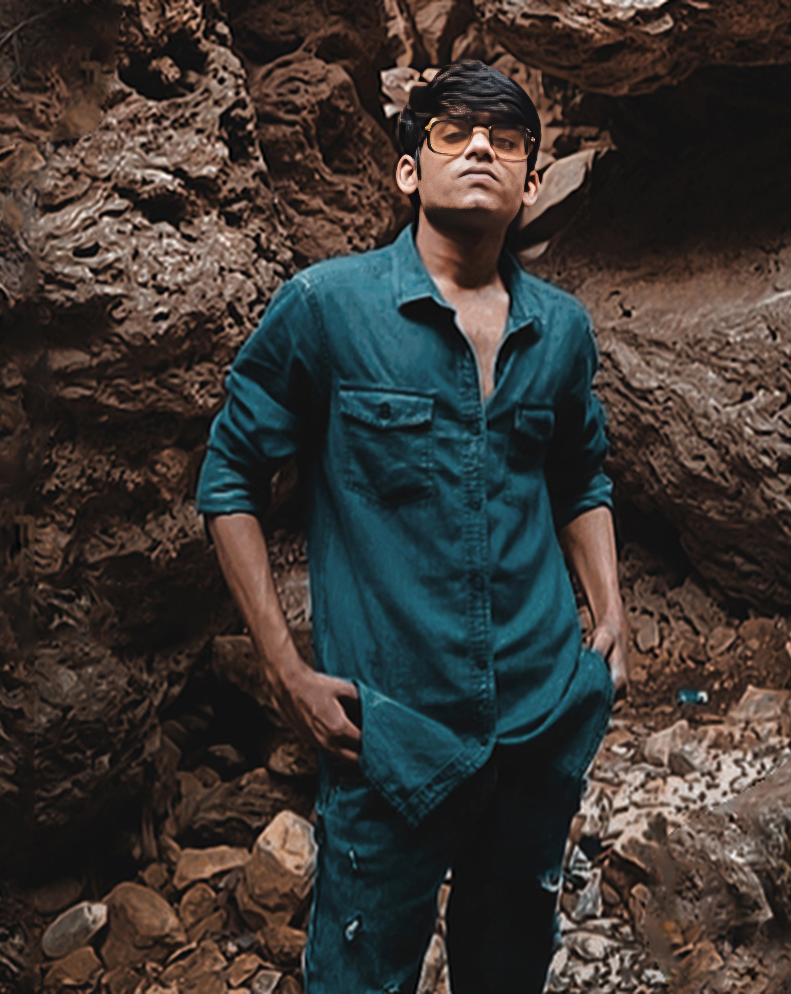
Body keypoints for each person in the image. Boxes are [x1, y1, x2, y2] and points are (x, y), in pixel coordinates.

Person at [195, 60, 626, 994]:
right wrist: (284, 669)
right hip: (386, 733)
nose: (480, 150)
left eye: (505, 140)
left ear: (532, 182)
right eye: (453, 133)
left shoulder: (561, 330)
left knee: (508, 969)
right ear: (407, 170)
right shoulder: (328, 309)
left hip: (539, 719)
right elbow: (229, 478)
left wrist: (610, 620)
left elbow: (579, 474)